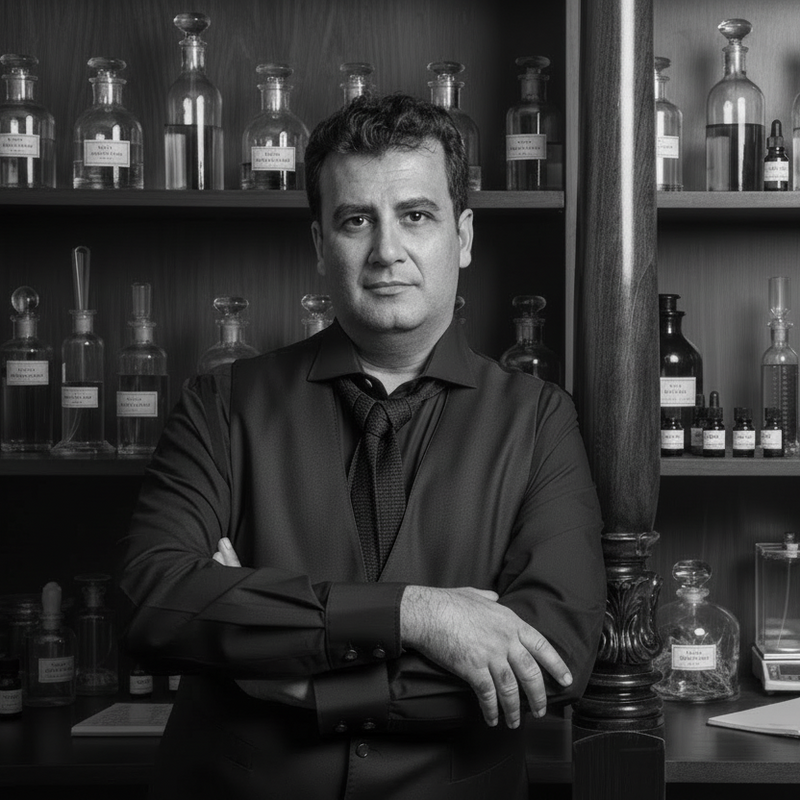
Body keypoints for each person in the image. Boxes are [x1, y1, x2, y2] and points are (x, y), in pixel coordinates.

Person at [118, 93, 606, 800]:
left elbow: (553, 656)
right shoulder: (223, 405)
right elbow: (152, 601)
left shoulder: (539, 421)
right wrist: (416, 613)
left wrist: (305, 682)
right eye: (355, 220)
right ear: (321, 244)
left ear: (463, 237)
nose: (386, 251)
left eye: (416, 215)